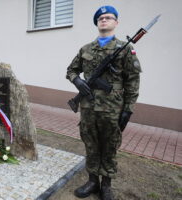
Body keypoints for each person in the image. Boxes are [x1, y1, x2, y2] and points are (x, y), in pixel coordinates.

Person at [66, 6, 141, 200]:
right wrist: (78, 81)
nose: (104, 20)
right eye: (100, 18)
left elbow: (132, 81)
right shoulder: (85, 49)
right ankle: (92, 181)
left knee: (110, 145)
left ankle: (106, 185)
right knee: (90, 143)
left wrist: (128, 109)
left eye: (109, 17)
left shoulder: (125, 49)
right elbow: (71, 70)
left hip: (112, 108)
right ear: (97, 23)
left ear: (116, 22)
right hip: (88, 107)